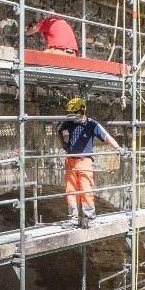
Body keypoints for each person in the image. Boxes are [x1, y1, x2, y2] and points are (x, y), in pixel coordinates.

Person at [57, 96, 121, 229]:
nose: (71, 117)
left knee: (86, 190)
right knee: (71, 190)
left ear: (81, 112)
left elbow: (106, 136)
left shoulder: (92, 124)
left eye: (73, 114)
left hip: (84, 161)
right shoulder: (70, 122)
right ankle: (74, 218)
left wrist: (118, 148)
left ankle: (89, 218)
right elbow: (58, 128)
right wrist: (63, 143)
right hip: (70, 160)